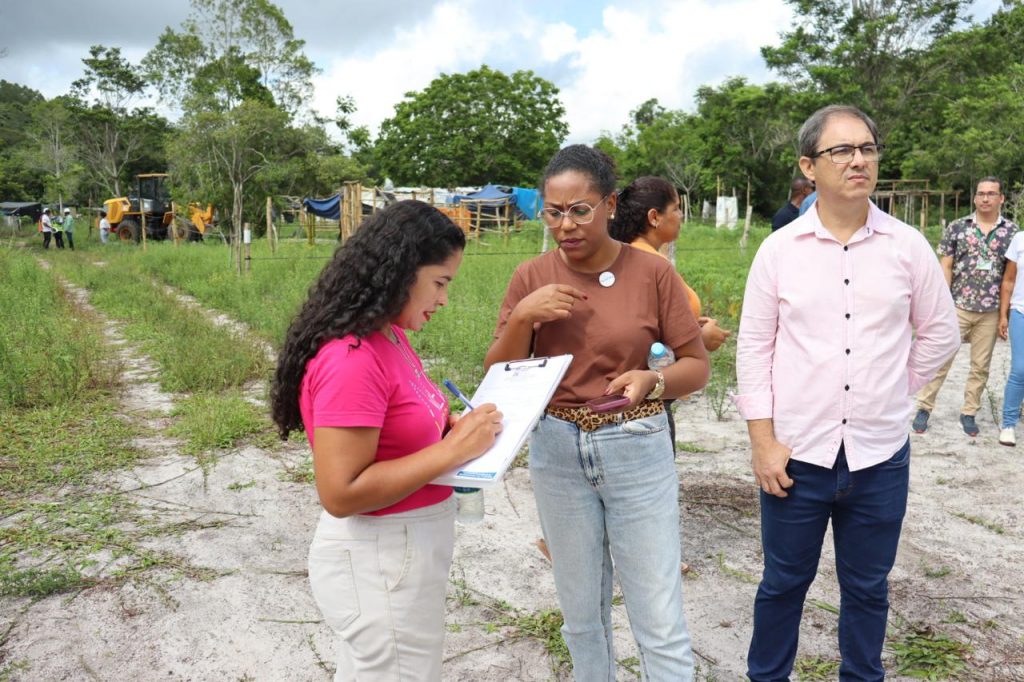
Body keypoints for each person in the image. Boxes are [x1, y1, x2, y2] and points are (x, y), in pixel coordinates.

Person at [733, 104, 959, 681]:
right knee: (782, 584)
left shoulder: (908, 246)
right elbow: (754, 349)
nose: (858, 160)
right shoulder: (778, 250)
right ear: (808, 166)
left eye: (868, 148)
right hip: (796, 455)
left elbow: (940, 332)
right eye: (841, 150)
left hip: (879, 456)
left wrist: (893, 389)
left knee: (867, 587)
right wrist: (762, 440)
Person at [486, 145, 709, 682]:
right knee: (581, 616)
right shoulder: (529, 276)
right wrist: (523, 318)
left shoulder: (652, 273)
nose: (566, 225)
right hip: (558, 451)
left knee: (658, 616)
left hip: (636, 443)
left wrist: (652, 381)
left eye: (580, 209)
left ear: (609, 204)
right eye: (554, 211)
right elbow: (499, 375)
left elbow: (696, 366)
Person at [269, 200, 503, 681]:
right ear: (400, 271)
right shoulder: (352, 359)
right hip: (380, 560)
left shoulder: (389, 337)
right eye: (440, 283)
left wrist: (447, 431)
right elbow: (342, 492)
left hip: (402, 553)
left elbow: (398, 433)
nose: (442, 299)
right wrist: (452, 450)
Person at [913, 176, 1019, 436]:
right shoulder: (958, 227)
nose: (985, 198)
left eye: (991, 194)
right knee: (941, 360)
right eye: (981, 193)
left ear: (1001, 198)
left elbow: (1011, 275)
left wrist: (1004, 314)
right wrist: (943, 301)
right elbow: (945, 265)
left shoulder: (1012, 232)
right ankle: (924, 407)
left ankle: (969, 412)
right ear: (974, 197)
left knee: (980, 366)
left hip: (990, 310)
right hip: (957, 306)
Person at [997, 227, 1024, 445]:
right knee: (1019, 369)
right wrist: (1003, 315)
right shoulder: (1019, 239)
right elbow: (1008, 280)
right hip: (1020, 312)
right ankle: (1008, 424)